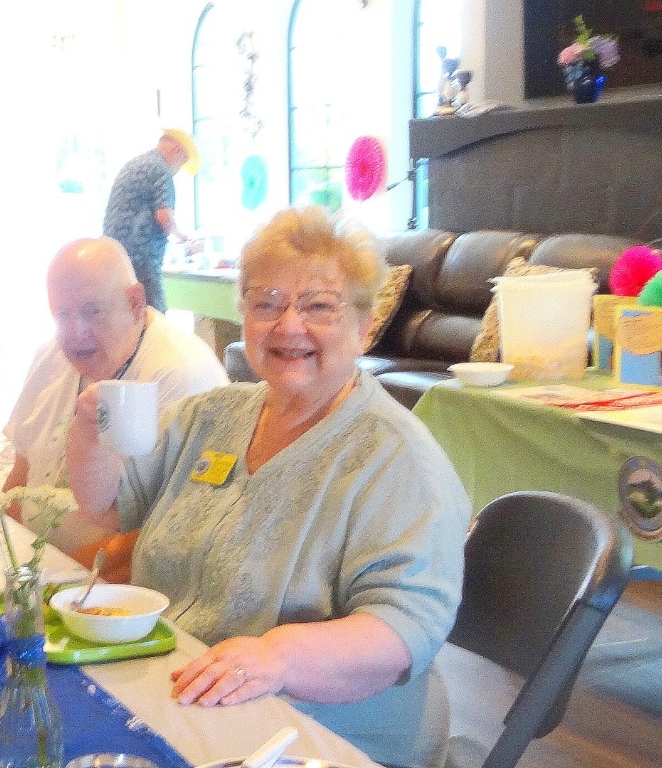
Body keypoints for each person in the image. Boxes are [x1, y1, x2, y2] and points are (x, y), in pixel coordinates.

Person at [63, 206, 471, 768]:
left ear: (364, 325)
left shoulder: (399, 459)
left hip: (319, 734)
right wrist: (89, 430)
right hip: (183, 696)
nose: (288, 325)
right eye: (266, 304)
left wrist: (279, 658)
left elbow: (405, 628)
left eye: (318, 306)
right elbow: (106, 506)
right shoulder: (210, 416)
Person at [4, 237, 227, 563]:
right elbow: (20, 473)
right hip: (37, 564)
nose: (76, 332)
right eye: (62, 314)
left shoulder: (182, 376)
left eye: (91, 311)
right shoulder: (51, 356)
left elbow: (176, 533)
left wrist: (59, 577)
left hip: (105, 579)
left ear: (135, 302)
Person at [102, 129, 200, 311]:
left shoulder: (134, 164)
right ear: (178, 151)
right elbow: (164, 217)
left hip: (114, 257)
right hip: (142, 261)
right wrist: (184, 238)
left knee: (126, 313)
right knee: (154, 316)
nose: (178, 170)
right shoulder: (161, 171)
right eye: (182, 163)